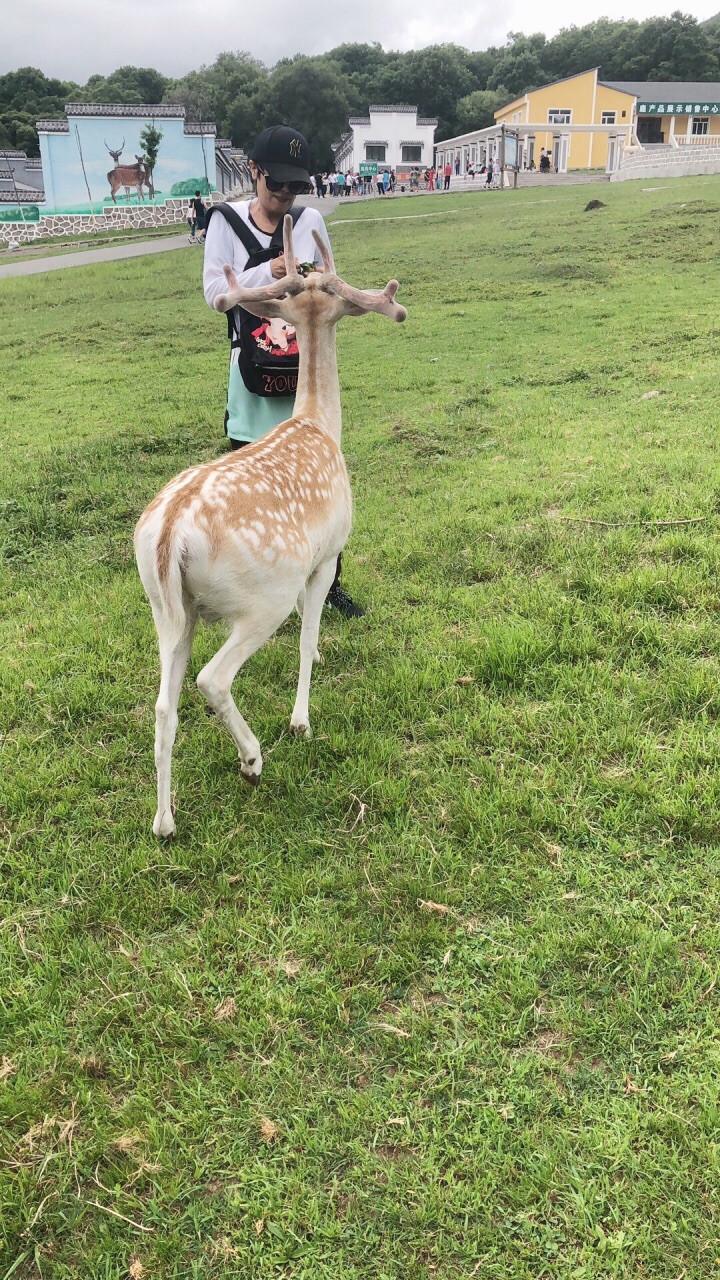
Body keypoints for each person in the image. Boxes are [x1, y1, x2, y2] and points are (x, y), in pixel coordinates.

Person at [203, 125, 363, 616]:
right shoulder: (225, 223)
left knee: (318, 481)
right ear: (254, 172)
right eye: (278, 185)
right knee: (254, 479)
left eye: (296, 186)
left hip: (305, 366)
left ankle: (329, 583)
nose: (287, 195)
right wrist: (267, 274)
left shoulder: (310, 217)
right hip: (252, 365)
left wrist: (317, 278)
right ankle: (260, 586)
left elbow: (328, 281)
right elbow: (215, 293)